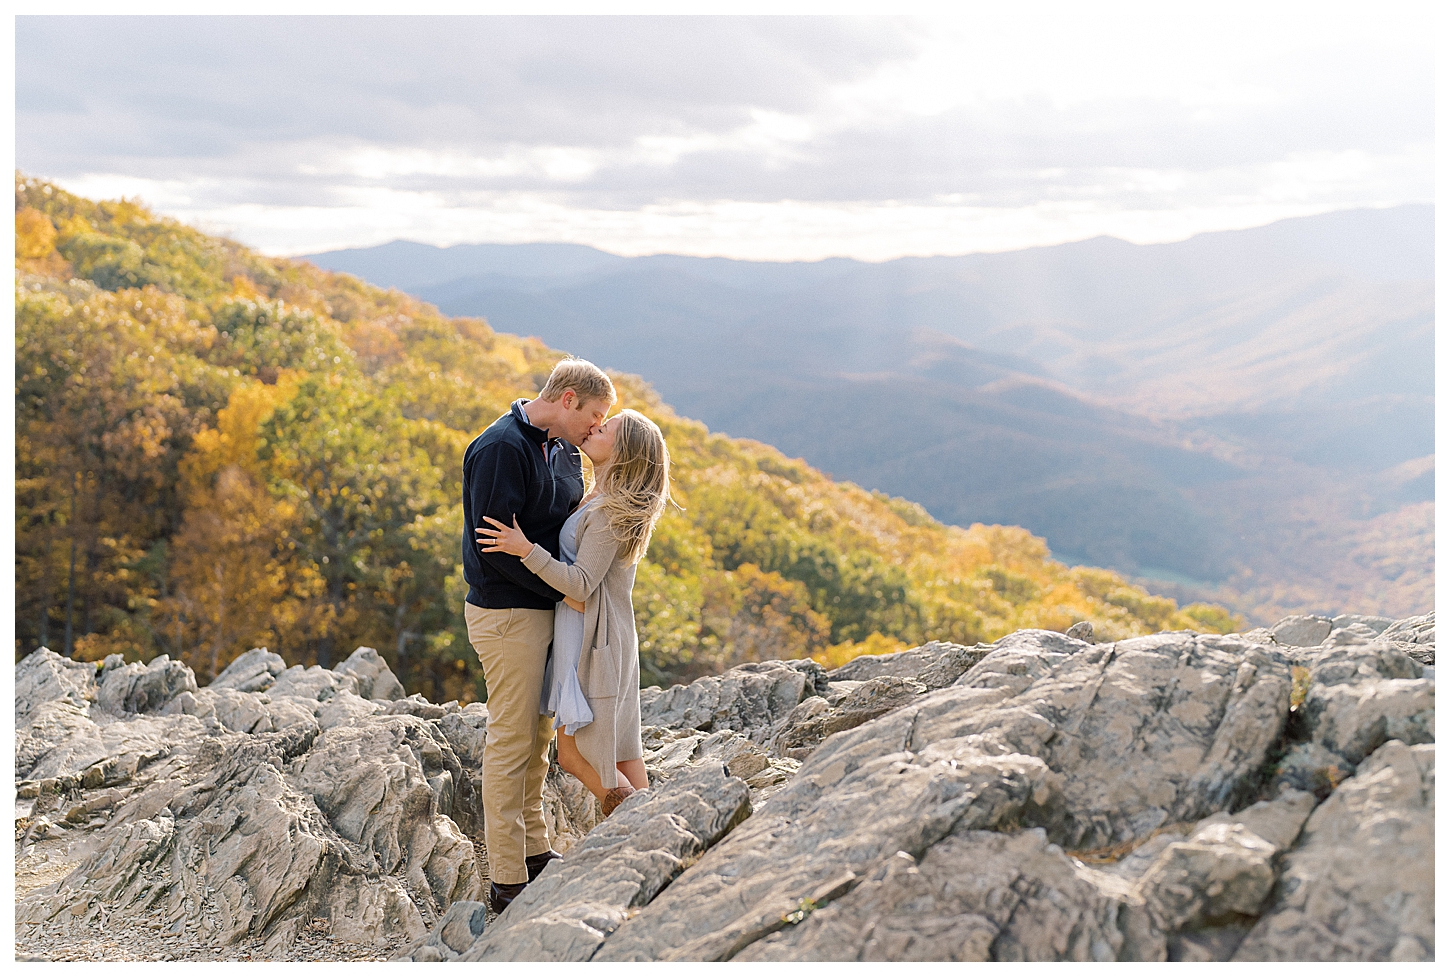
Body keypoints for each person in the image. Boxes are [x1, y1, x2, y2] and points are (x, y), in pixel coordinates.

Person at [461, 357, 615, 914]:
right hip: (508, 614)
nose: (596, 427)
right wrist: (566, 591)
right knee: (510, 739)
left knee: (539, 738)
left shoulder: (563, 448)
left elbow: (556, 530)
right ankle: (506, 880)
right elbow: (492, 549)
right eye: (595, 414)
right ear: (569, 399)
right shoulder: (501, 448)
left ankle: (533, 849)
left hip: (551, 610)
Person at [476, 408, 669, 820]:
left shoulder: (608, 512)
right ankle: (655, 822)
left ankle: (647, 826)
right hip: (599, 633)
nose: (595, 428)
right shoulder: (598, 497)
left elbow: (580, 585)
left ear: (625, 453)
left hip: (591, 640)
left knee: (577, 755)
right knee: (620, 748)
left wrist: (524, 549)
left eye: (606, 429)